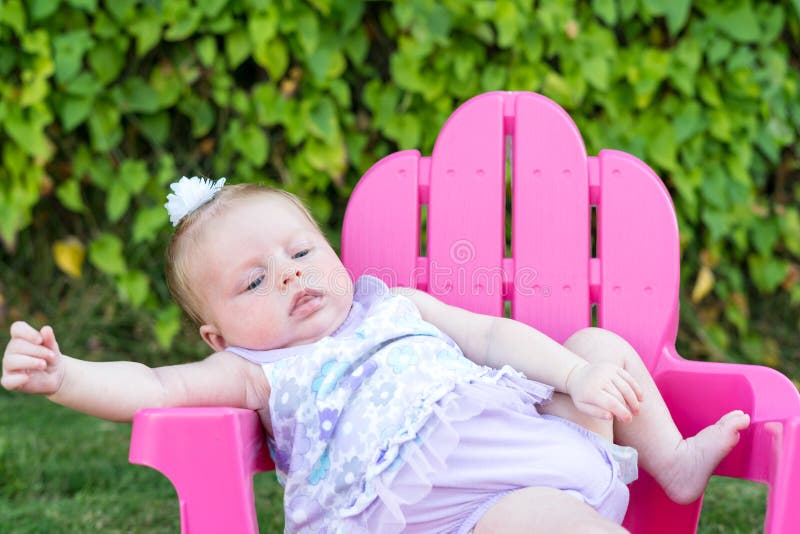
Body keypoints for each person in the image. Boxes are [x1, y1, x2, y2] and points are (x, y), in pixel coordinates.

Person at [2, 177, 750, 533]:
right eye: (255, 280)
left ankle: (673, 464)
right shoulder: (260, 370)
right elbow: (156, 387)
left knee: (599, 345)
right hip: (475, 513)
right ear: (218, 336)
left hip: (555, 442)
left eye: (300, 251)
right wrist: (65, 376)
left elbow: (492, 337)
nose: (290, 273)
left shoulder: (395, 306)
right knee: (542, 524)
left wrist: (579, 376)